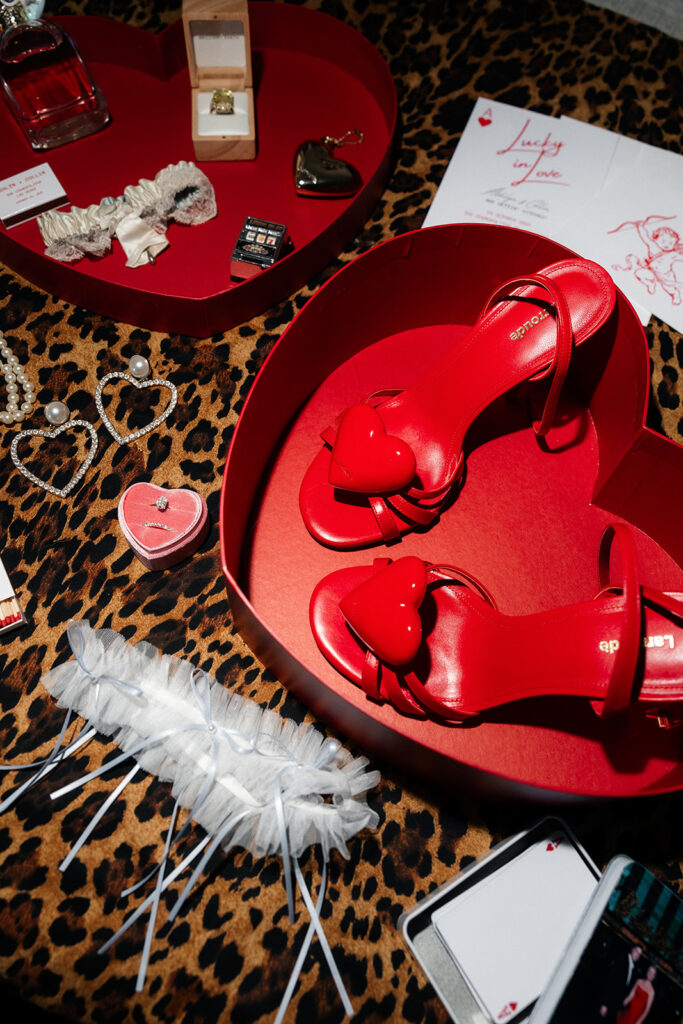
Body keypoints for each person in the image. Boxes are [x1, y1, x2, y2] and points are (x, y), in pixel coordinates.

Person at [599, 945, 643, 1023]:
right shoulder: (622, 960)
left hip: (615, 1006)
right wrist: (605, 1004)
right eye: (636, 951)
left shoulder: (632, 968)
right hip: (609, 1003)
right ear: (632, 950)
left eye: (639, 954)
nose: (637, 955)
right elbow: (611, 981)